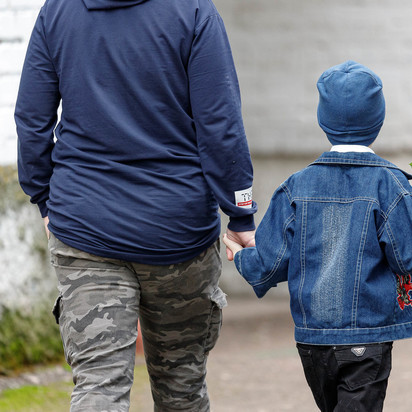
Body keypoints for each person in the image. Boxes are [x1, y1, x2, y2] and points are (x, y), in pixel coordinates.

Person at [15, 0, 256, 410]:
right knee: (182, 386)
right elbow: (220, 124)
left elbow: (31, 118)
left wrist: (43, 198)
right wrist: (240, 211)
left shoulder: (58, 10)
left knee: (97, 385)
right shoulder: (193, 11)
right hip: (176, 231)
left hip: (84, 225)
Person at [223, 60, 412, 411]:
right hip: (367, 339)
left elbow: (267, 266)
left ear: (322, 120)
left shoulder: (296, 186)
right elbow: (409, 254)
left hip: (312, 339)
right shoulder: (389, 184)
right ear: (378, 120)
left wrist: (241, 254)